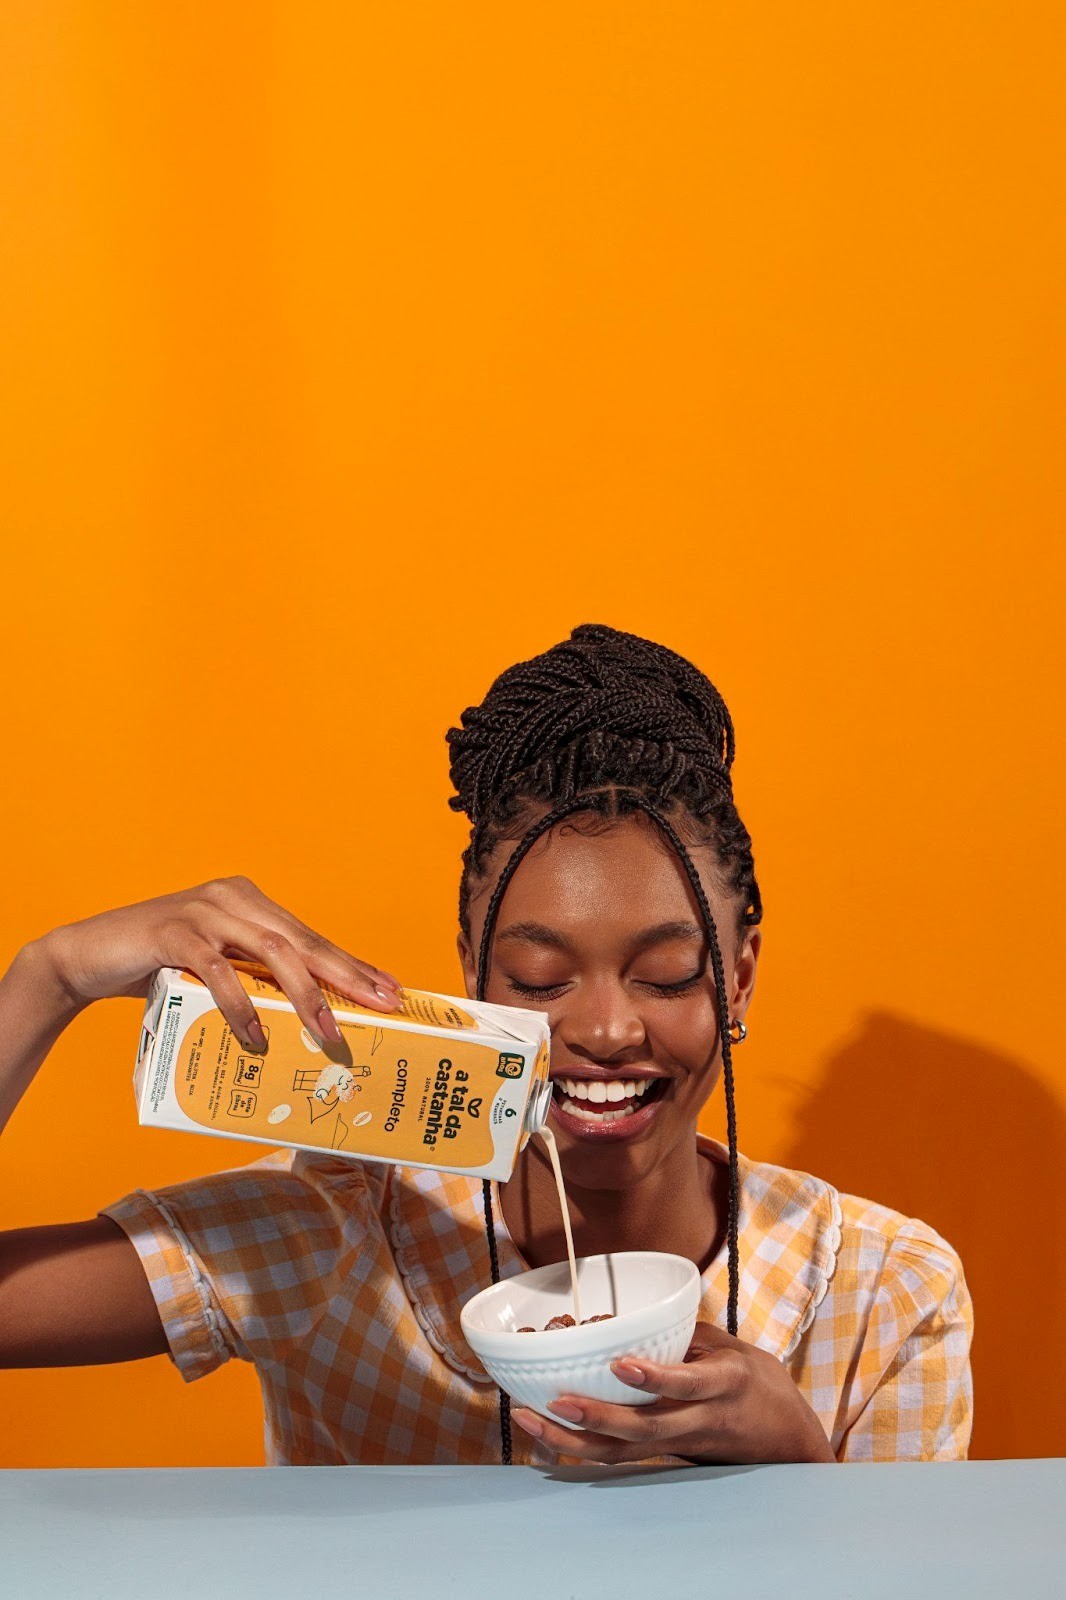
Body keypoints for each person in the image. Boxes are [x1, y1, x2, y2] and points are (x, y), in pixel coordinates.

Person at [0, 625, 972, 1466]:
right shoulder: (342, 1233)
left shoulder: (879, 1288)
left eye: (669, 972)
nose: (601, 1030)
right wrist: (48, 978)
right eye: (540, 980)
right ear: (472, 973)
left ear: (740, 977)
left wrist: (803, 1464)